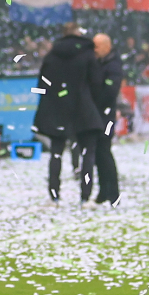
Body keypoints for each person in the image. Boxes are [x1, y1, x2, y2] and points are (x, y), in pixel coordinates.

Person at [33, 22, 105, 202]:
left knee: (56, 153)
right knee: (87, 153)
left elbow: (42, 84)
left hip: (58, 110)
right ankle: (85, 194)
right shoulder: (87, 54)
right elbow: (97, 83)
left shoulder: (52, 56)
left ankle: (54, 193)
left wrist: (53, 100)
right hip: (83, 108)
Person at [86, 32, 124, 205]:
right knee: (100, 153)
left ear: (107, 47)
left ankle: (112, 192)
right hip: (100, 113)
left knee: (104, 152)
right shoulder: (102, 63)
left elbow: (110, 91)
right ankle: (104, 190)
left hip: (105, 114)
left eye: (97, 46)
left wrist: (95, 101)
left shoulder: (113, 65)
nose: (94, 50)